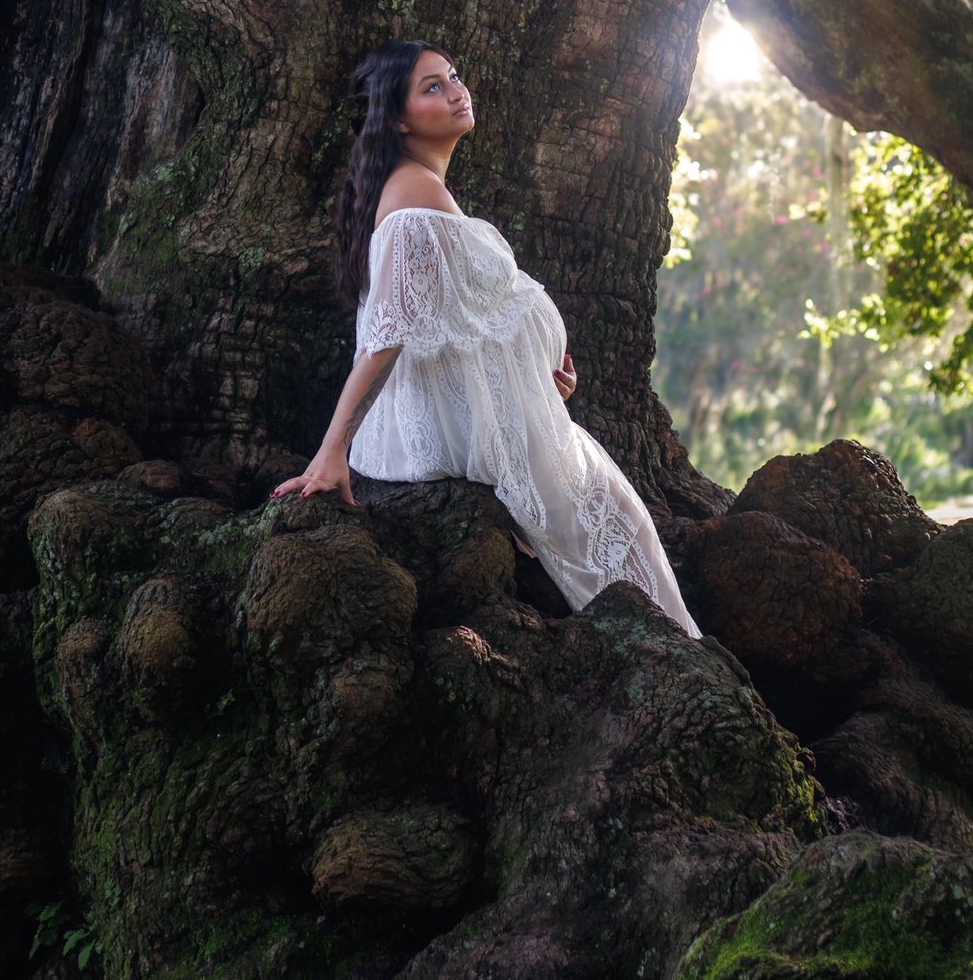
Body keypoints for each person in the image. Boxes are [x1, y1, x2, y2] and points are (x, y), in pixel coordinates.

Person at [271, 40, 700, 637]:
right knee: (618, 533)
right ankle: (668, 660)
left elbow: (464, 325)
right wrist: (332, 449)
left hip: (482, 419)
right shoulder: (412, 201)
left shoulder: (420, 188)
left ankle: (668, 649)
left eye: (453, 77)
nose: (456, 91)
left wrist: (537, 378)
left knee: (618, 520)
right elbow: (385, 336)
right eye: (432, 87)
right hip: (435, 436)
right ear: (397, 119)